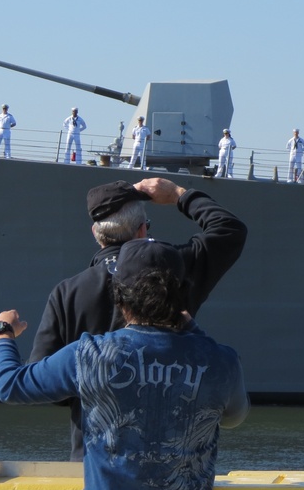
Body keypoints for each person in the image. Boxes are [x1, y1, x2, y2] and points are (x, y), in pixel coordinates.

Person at [0, 238, 249, 490]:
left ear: (120, 298)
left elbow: (10, 385)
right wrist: (195, 333)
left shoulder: (91, 355)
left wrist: (2, 334)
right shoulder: (220, 360)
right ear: (183, 296)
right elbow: (233, 417)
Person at [30, 177, 248, 460]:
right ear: (142, 230)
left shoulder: (66, 293)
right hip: (172, 465)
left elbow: (43, 381)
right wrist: (178, 194)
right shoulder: (174, 271)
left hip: (95, 464)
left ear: (96, 233)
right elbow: (230, 230)